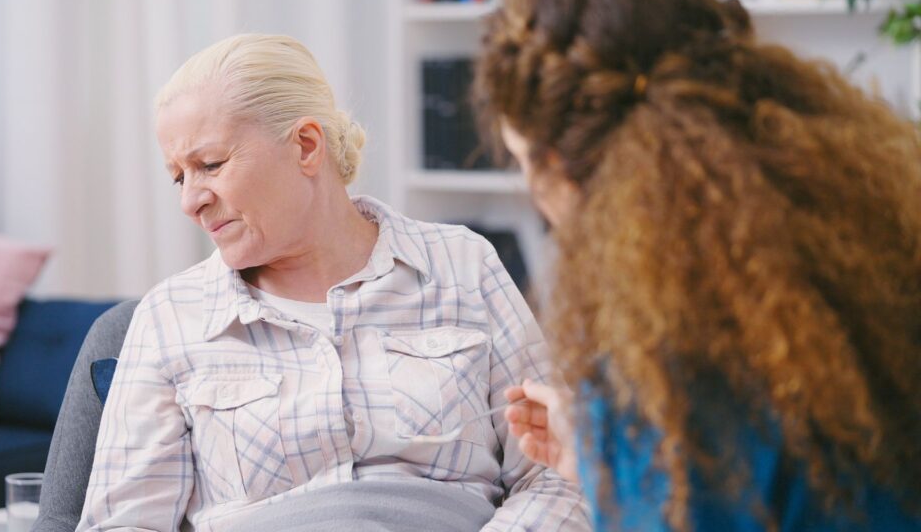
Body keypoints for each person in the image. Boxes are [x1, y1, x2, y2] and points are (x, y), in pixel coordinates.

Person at [471, 0, 921, 530]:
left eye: (523, 161)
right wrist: (600, 458)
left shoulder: (663, 381)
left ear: (560, 168)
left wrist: (618, 458)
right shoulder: (870, 248)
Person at [74, 33, 588, 532]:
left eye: (210, 165)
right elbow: (123, 524)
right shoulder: (170, 316)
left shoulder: (462, 266)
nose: (191, 200)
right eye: (179, 177)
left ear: (305, 145)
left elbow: (557, 475)